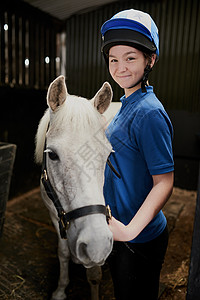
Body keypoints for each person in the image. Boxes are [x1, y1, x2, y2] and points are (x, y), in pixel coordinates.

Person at [101, 9, 174, 300]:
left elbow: (164, 182)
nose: (120, 68)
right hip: (120, 229)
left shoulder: (149, 113)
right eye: (113, 59)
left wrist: (129, 232)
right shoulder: (125, 104)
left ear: (150, 60)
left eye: (130, 58)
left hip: (138, 238)